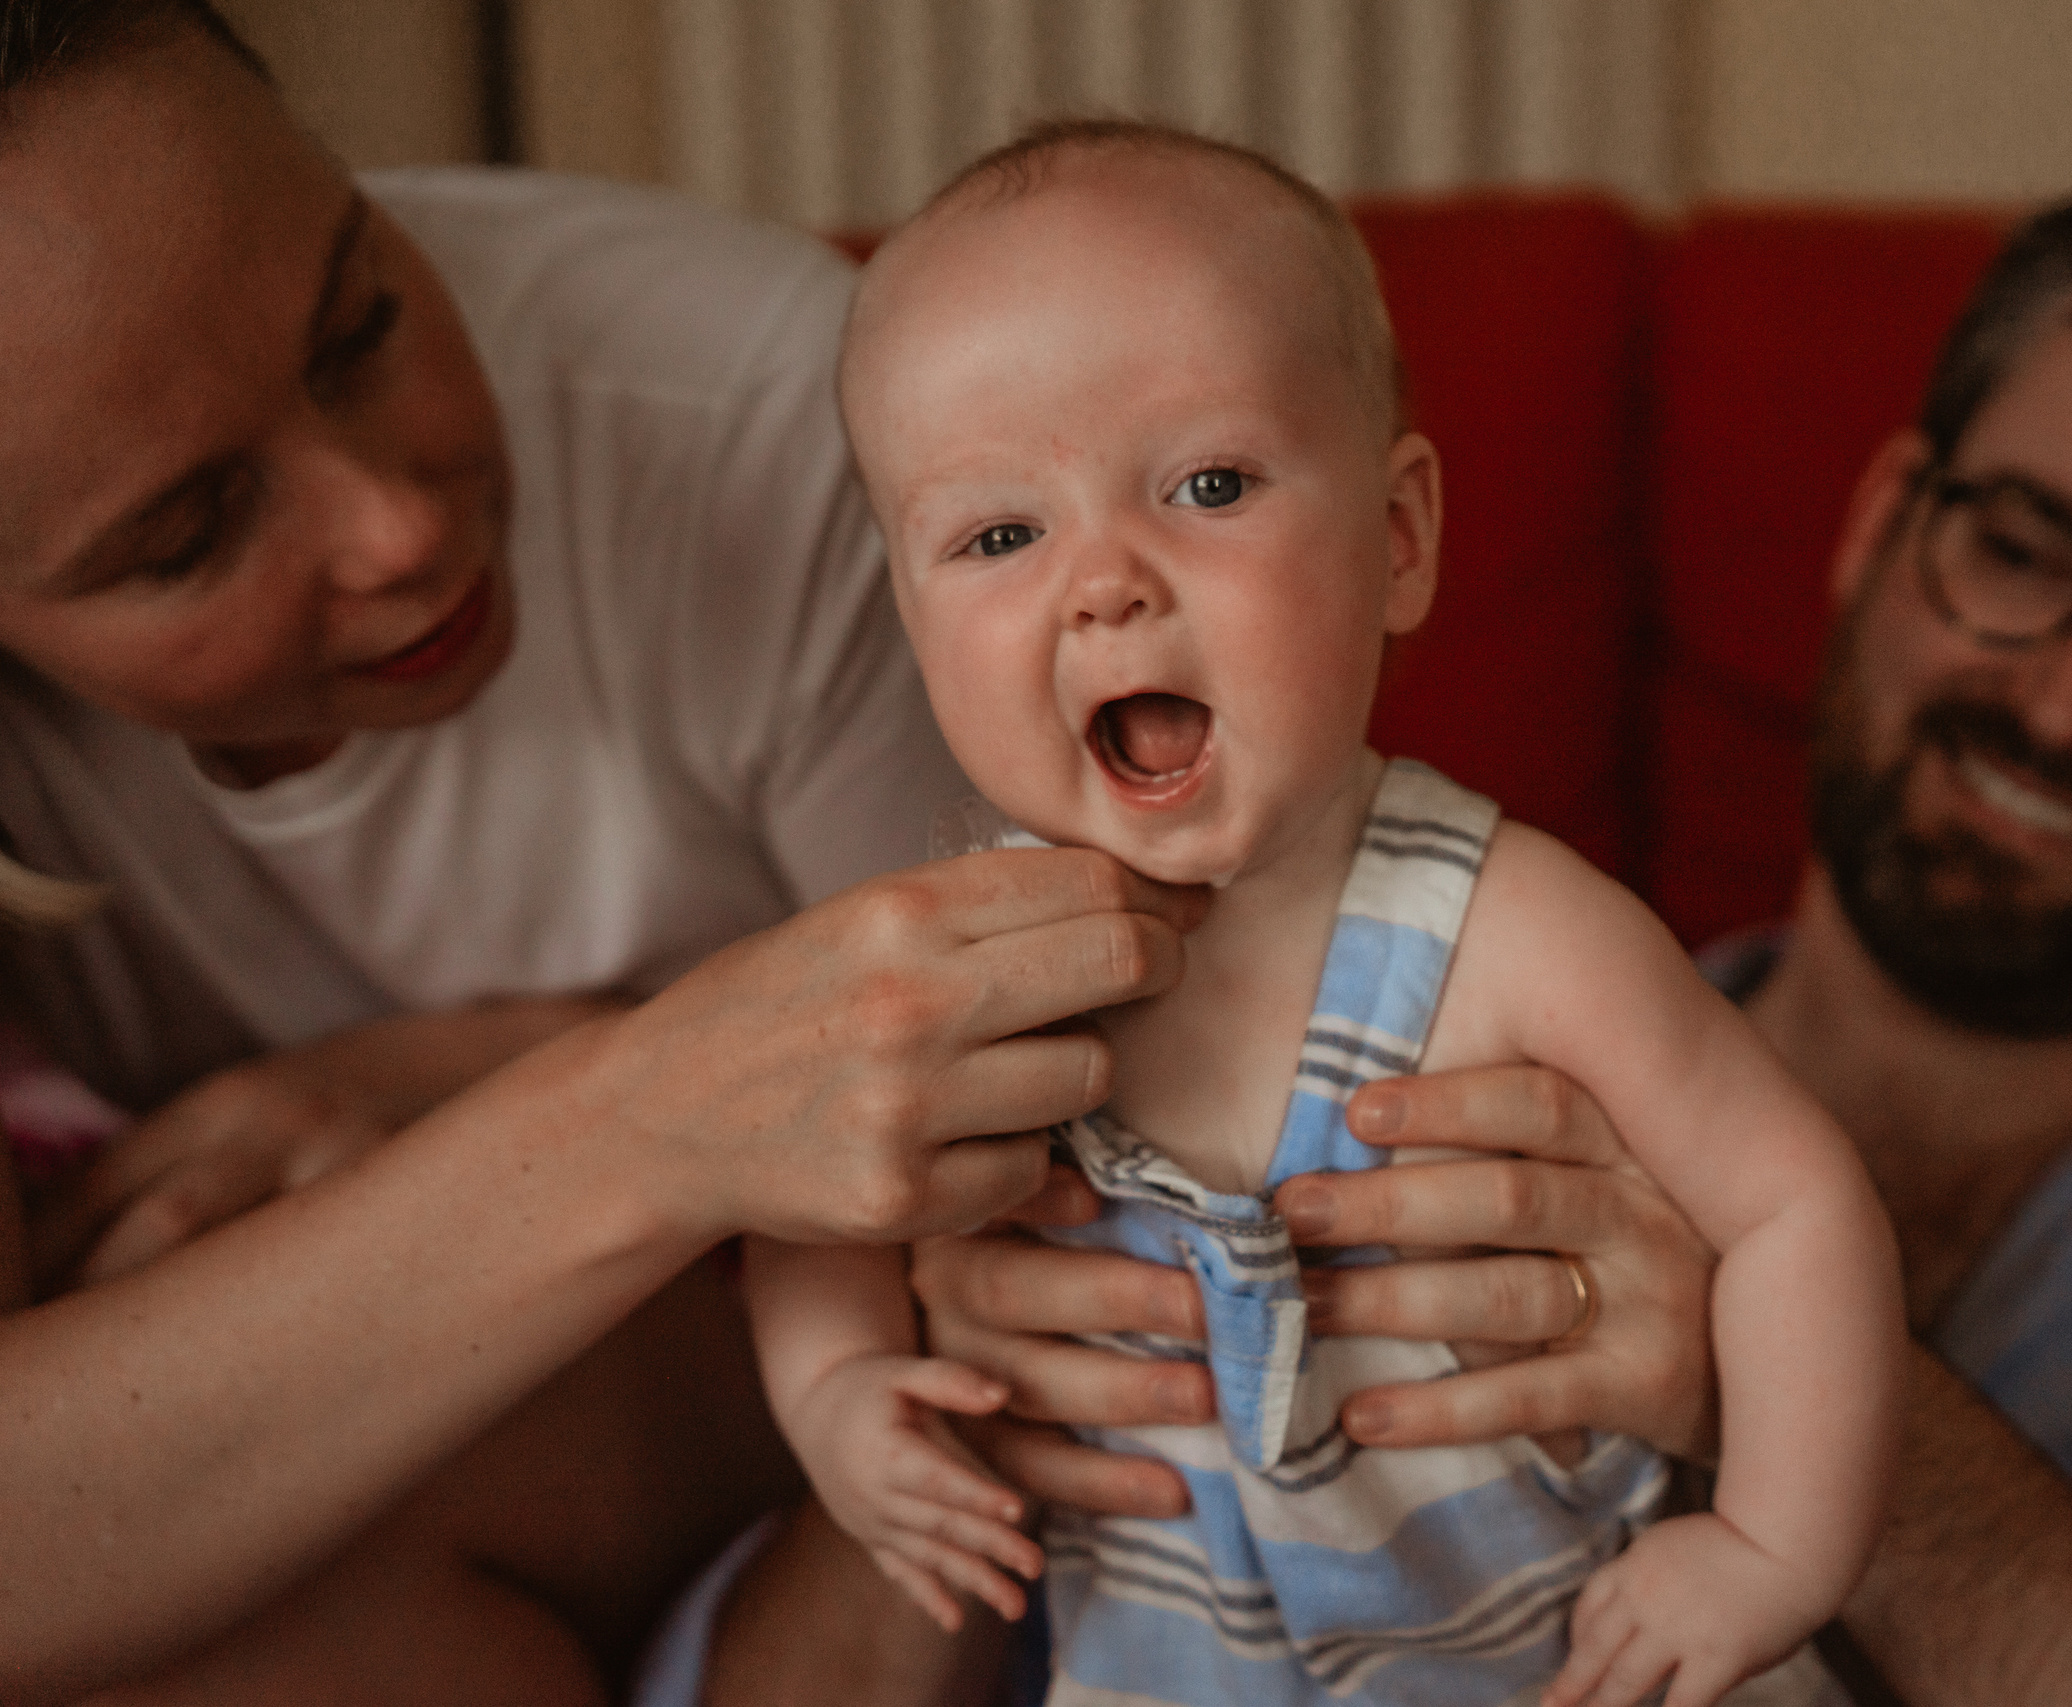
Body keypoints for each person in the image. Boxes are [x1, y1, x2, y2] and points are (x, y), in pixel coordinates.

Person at [0, 5, 1703, 1701]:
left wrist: (553, 1091)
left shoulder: (779, 417)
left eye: (361, 320)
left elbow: (968, 1129)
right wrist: (611, 1090)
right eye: (186, 533)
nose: (397, 523)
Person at [886, 152, 2072, 1707]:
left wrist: (1776, 1402)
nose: (2063, 697)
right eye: (2025, 549)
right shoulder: (1324, 1018)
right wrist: (937, 1400)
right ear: (1880, 521)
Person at [747, 124, 1901, 1707]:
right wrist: (837, 1390)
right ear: (907, 608)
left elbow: (1796, 1207)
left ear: (1401, 538)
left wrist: (1772, 1551)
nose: (1105, 586)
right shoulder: (952, 956)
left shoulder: (1506, 928)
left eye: (1208, 485)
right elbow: (804, 1202)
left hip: (1572, 1670)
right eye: (1000, 535)